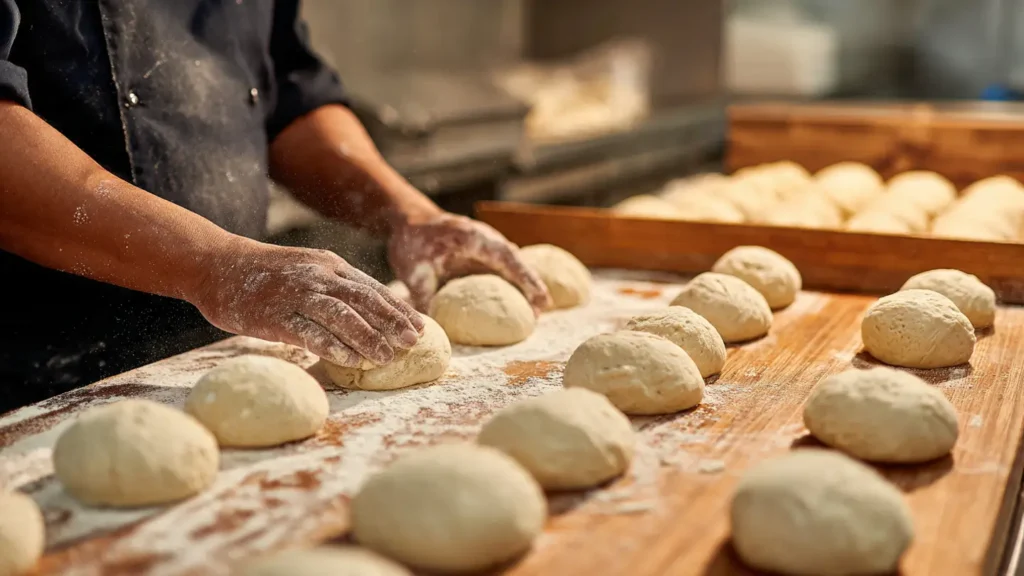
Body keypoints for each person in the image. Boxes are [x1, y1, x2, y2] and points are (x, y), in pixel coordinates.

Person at [0, 0, 551, 412]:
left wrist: (408, 213)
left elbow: (288, 93)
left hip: (217, 354)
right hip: (39, 367)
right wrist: (215, 266)